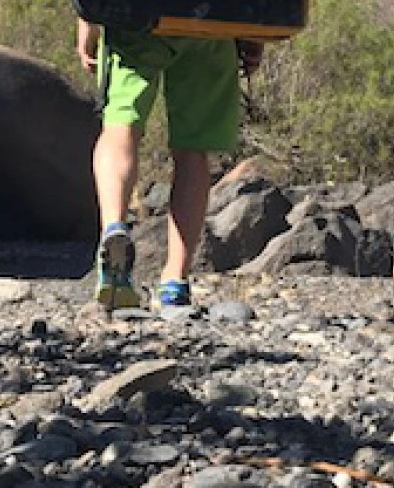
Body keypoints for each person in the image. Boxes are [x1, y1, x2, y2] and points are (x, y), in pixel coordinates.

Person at [77, 18, 262, 309]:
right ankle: (174, 281)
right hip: (213, 20)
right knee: (193, 152)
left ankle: (113, 227)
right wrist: (255, 34)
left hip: (138, 15)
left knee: (120, 129)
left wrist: (87, 22)